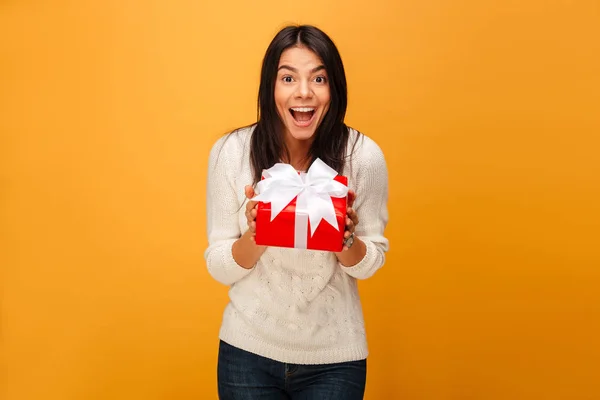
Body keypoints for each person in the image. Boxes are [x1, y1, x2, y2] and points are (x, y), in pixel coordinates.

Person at [204, 24, 389, 400]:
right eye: (288, 77)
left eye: (318, 78)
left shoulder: (362, 156)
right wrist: (256, 233)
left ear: (333, 89)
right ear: (270, 88)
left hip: (336, 357)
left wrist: (345, 239)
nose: (303, 92)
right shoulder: (232, 152)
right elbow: (218, 265)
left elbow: (371, 262)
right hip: (247, 351)